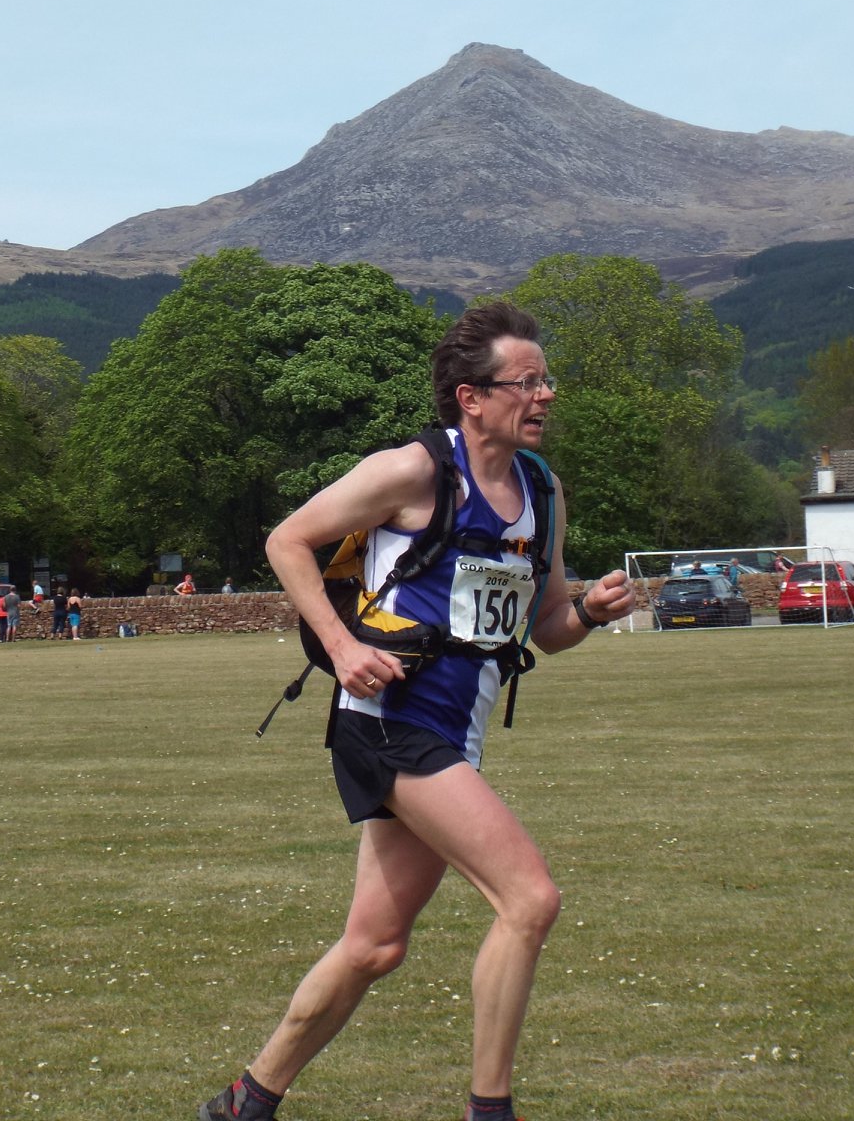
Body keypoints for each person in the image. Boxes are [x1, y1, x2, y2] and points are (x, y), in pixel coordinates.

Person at [196, 302, 637, 1121]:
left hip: (452, 734)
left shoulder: (543, 490)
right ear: (472, 398)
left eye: (548, 381)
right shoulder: (413, 472)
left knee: (375, 947)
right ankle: (490, 1110)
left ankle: (244, 1102)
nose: (544, 396)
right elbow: (287, 541)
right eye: (526, 382)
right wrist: (342, 646)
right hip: (389, 722)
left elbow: (547, 629)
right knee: (529, 899)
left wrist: (593, 613)